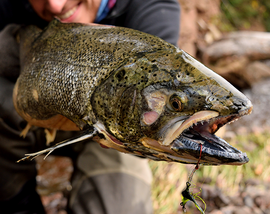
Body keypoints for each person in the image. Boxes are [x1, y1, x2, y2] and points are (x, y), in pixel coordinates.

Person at [0, 0, 180, 213]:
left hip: (107, 135)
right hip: (24, 115)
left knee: (120, 204)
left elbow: (154, 130)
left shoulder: (152, 9)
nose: (55, 6)